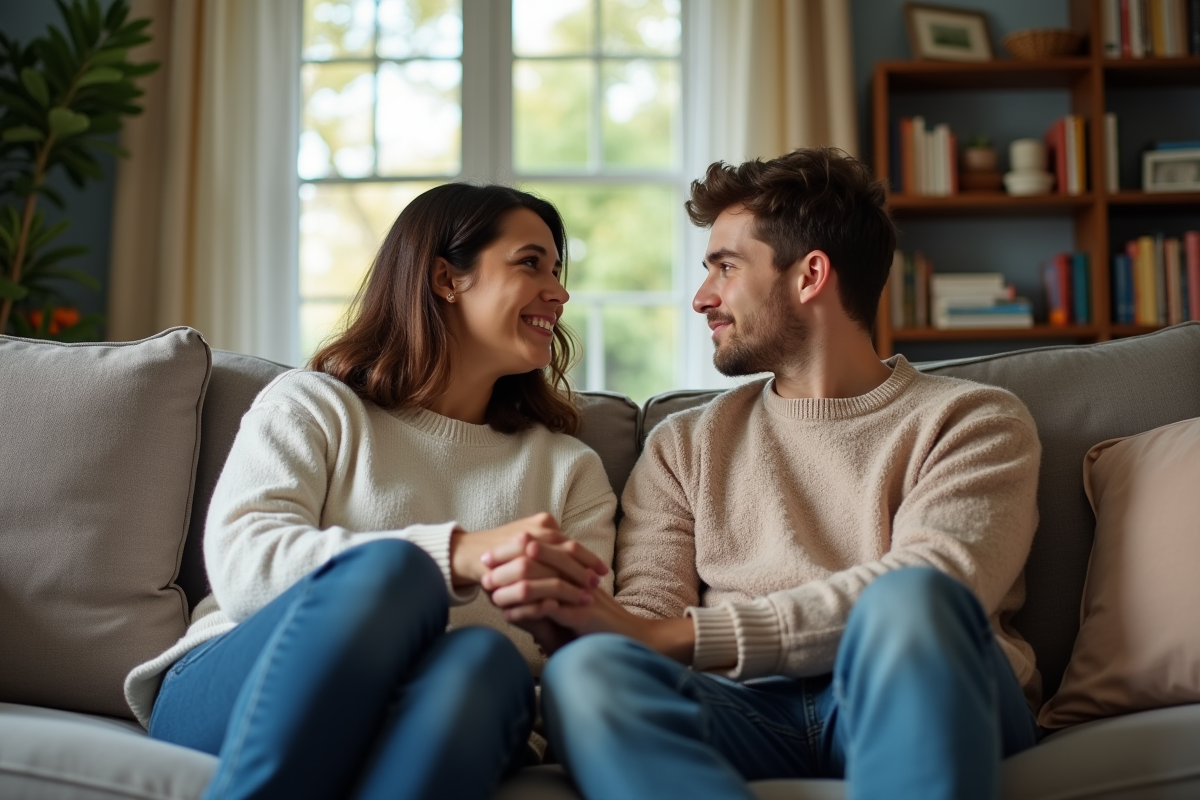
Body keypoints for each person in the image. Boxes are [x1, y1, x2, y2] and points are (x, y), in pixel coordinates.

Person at [485, 148, 1043, 800]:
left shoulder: (973, 421)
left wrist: (680, 636)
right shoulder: (684, 444)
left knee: (912, 600)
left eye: (725, 267)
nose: (702, 298)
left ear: (810, 276)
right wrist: (582, 624)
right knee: (589, 671)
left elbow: (942, 587)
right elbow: (643, 624)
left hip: (917, 692)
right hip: (741, 709)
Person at [123, 183, 617, 800]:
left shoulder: (570, 470)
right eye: (530, 263)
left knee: (487, 663)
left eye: (558, 270)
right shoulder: (314, 405)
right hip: (236, 685)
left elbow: (580, 654)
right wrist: (457, 553)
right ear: (446, 278)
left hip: (426, 713)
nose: (560, 291)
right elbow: (243, 568)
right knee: (392, 572)